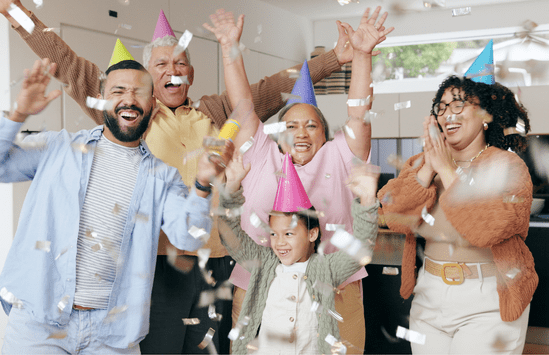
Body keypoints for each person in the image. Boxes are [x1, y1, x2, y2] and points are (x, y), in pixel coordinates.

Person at [0, 2, 359, 352]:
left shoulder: (214, 112)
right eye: (161, 64)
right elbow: (65, 60)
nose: (173, 69)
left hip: (217, 259)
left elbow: (272, 87)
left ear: (190, 74)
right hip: (161, 264)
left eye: (181, 63)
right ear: (146, 80)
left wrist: (334, 59)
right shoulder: (128, 116)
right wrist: (16, 12)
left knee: (208, 347)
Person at [0, 56, 231, 353]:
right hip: (39, 325)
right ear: (100, 101)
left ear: (154, 106)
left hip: (112, 336)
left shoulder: (163, 177)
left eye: (139, 93)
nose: (129, 100)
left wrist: (202, 184)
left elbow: (189, 235)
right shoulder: (58, 147)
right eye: (118, 91)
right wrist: (18, 113)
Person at [203, 7, 393, 352]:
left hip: (336, 287)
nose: (301, 134)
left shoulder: (339, 153)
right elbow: (243, 105)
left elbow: (358, 113)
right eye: (291, 126)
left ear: (325, 133)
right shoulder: (262, 154)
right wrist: (229, 47)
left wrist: (362, 56)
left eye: (311, 126)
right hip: (259, 287)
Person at [378, 42, 538, 354]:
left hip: (490, 298)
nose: (448, 114)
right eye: (442, 107)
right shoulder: (422, 165)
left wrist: (446, 170)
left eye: (459, 105)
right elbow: (392, 216)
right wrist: (427, 169)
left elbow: (487, 229)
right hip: (429, 295)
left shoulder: (507, 166)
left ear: (485, 116)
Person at [217, 148, 379, 354]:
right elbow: (230, 237)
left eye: (289, 234)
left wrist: (367, 201)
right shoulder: (264, 262)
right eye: (274, 234)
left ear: (312, 234)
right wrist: (231, 188)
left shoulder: (326, 268)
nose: (279, 243)